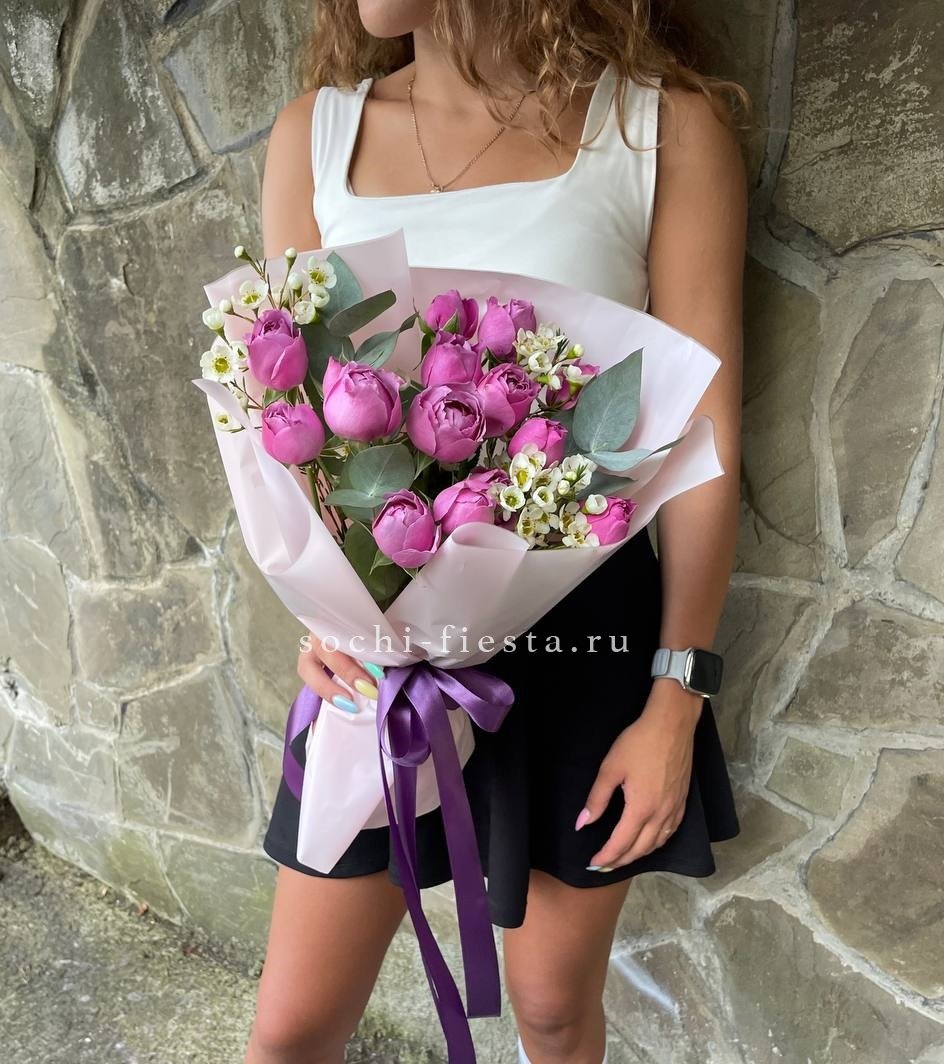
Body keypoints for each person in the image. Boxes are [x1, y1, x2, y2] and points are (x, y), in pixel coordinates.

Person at [246, 2, 749, 1062]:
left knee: (553, 1008)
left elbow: (704, 434)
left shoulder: (658, 128)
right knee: (290, 1030)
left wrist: (676, 698)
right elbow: (282, 415)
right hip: (386, 655)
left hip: (586, 638)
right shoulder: (314, 136)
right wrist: (319, 604)